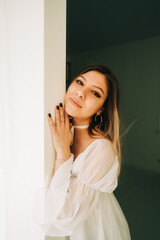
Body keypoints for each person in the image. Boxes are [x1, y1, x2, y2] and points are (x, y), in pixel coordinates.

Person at [33, 64, 131, 239]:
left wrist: (63, 154)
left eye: (95, 93)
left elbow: (64, 218)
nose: (80, 93)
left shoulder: (102, 149)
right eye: (79, 82)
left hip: (94, 229)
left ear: (101, 108)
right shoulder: (65, 130)